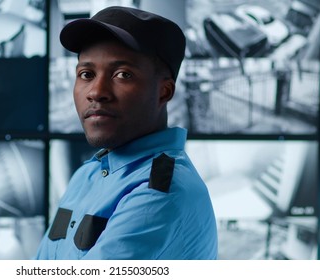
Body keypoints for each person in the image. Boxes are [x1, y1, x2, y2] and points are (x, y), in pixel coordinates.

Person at [35, 6, 217, 260]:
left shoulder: (161, 192)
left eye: (123, 74)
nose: (96, 92)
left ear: (164, 92)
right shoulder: (86, 174)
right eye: (86, 74)